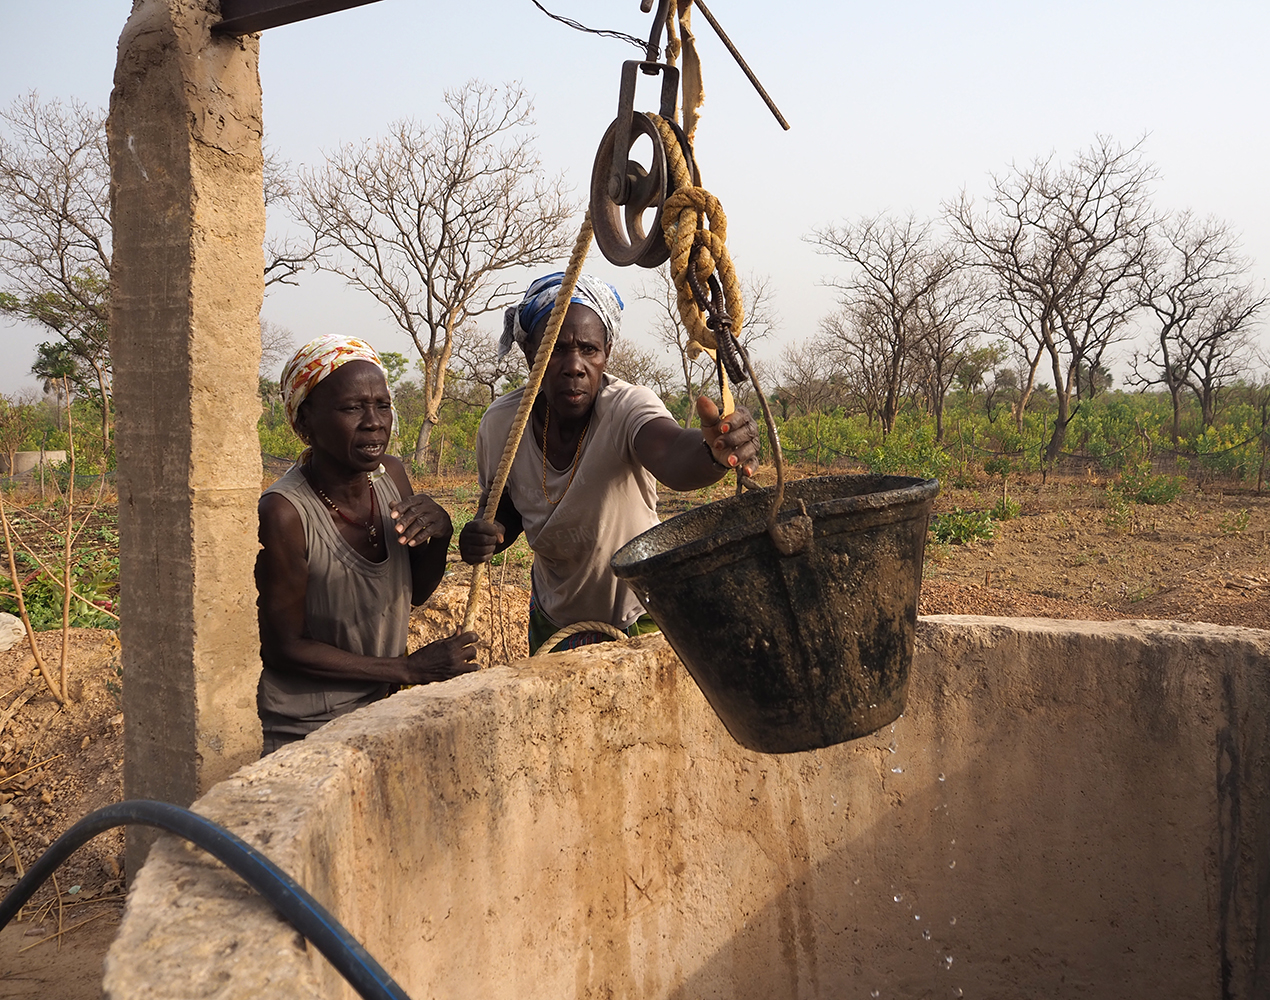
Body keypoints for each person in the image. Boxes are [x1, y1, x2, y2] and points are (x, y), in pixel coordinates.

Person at [459, 272, 759, 654]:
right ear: (529, 352)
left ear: (607, 353)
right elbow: (508, 503)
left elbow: (671, 454)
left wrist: (712, 451)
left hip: (642, 615)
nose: (574, 366)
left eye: (588, 349)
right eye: (555, 349)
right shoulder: (502, 424)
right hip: (552, 617)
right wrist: (491, 531)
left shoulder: (626, 407)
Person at [255, 336, 479, 754]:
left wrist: (441, 535)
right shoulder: (284, 513)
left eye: (382, 405)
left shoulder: (391, 475)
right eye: (352, 407)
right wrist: (407, 668)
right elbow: (284, 647)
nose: (374, 421)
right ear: (305, 424)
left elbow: (414, 592)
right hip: (308, 726)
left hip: (377, 710)